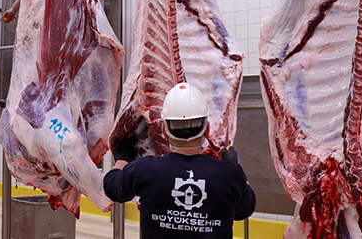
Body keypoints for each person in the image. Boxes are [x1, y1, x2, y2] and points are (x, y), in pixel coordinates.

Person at [103, 82, 256, 238]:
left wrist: (121, 160)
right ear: (207, 129)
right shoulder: (229, 175)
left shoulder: (146, 169)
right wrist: (234, 165)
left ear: (164, 130)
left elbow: (112, 188)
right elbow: (245, 209)